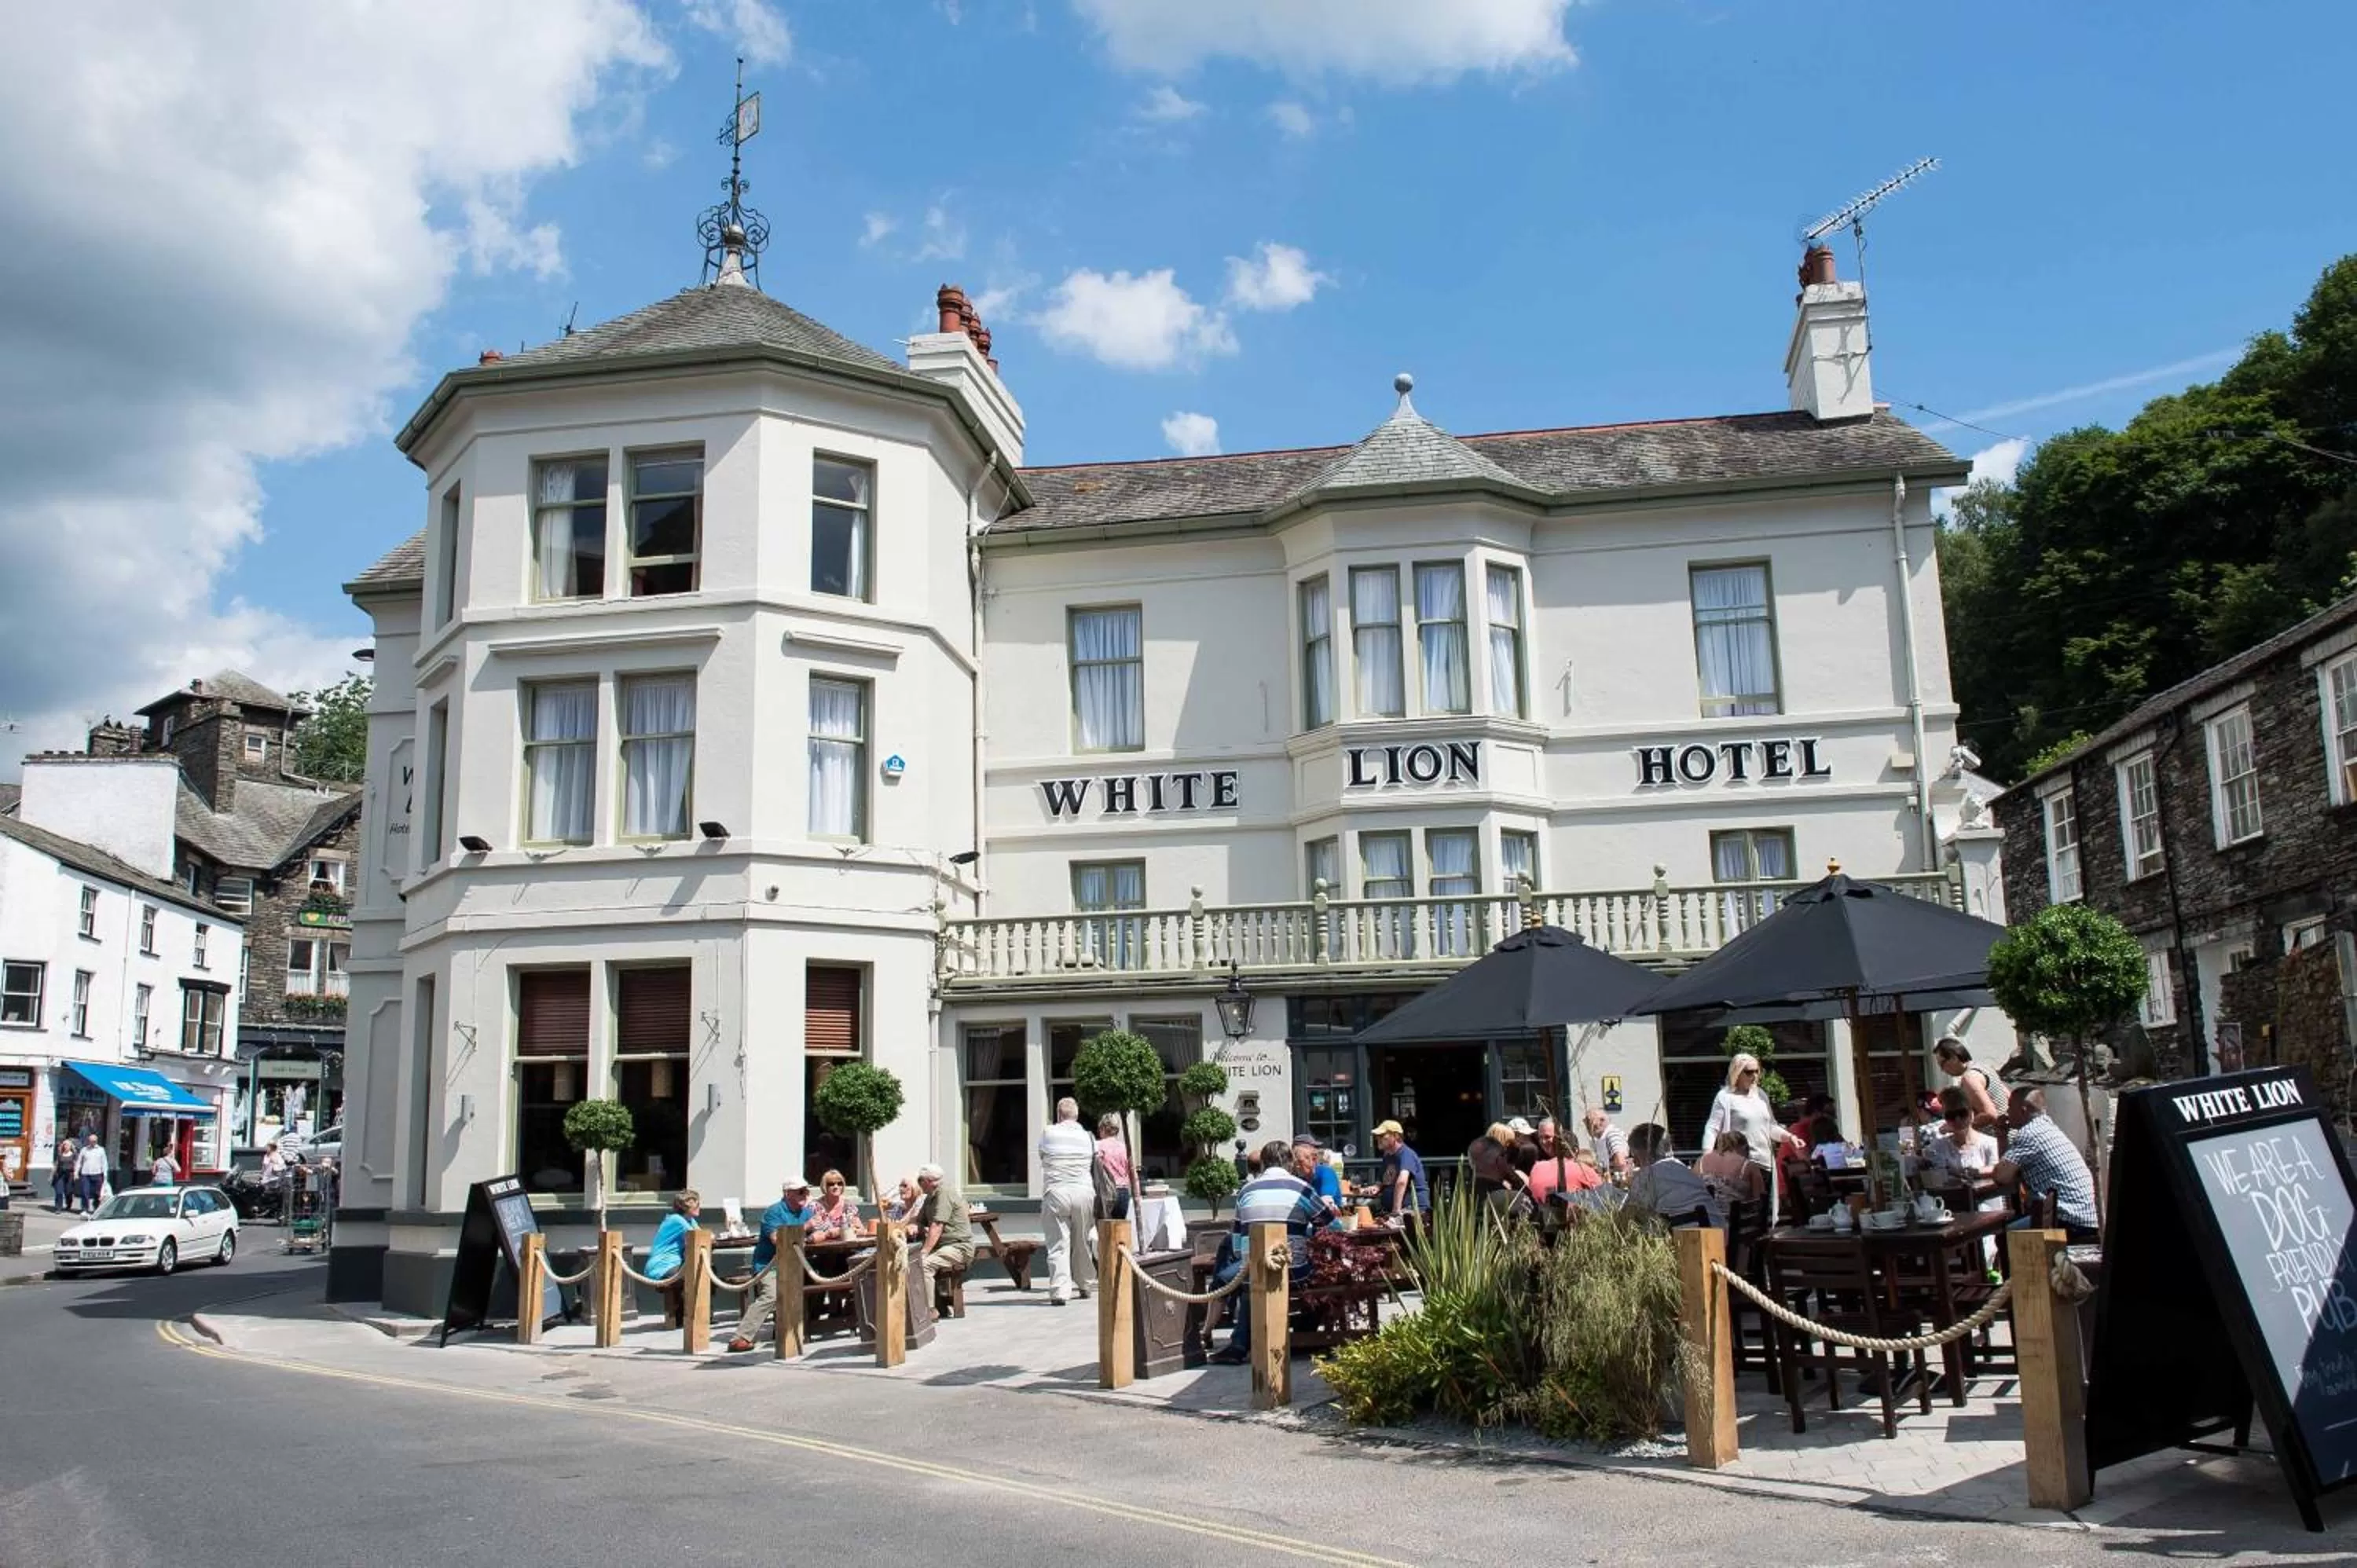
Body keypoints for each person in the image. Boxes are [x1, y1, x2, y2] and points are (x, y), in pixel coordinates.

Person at [1210, 1139, 1326, 1365]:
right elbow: (1330, 1224)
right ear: (1290, 1163)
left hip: (1253, 1270)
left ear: (1262, 1164)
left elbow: (1236, 1243)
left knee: (1253, 1274)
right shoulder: (1301, 1188)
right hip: (1294, 1271)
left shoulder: (1246, 1190)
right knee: (1325, 1277)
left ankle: (1239, 1345)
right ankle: (1304, 1332)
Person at [1993, 1086, 2100, 1241]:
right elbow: (2008, 1172)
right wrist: (2003, 1137)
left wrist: (2001, 1135)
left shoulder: (2029, 1134)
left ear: (2023, 1110)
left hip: (2069, 1221)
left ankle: (2025, 1266)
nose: (2007, 1112)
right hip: (2085, 1218)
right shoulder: (2046, 1126)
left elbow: (2001, 1177)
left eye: (2010, 1107)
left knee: (2004, 1237)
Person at [727, 1180, 816, 1352]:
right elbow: (777, 1239)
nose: (804, 1195)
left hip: (797, 1264)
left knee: (826, 1278)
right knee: (772, 1294)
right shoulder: (774, 1212)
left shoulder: (806, 1213)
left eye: (806, 1191)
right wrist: (806, 1228)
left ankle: (807, 1328)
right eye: (800, 1191)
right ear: (787, 1193)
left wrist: (818, 1233)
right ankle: (741, 1337)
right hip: (769, 1265)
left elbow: (818, 1231)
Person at [1702, 1053, 1785, 1218]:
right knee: (1745, 1213)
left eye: (1757, 1071)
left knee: (1764, 1213)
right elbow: (1712, 1127)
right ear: (1737, 1073)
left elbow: (1771, 1126)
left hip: (1765, 1163)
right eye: (1749, 1072)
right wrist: (1707, 1155)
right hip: (1741, 1165)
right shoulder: (1725, 1097)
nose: (1754, 1076)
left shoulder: (1760, 1095)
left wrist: (1789, 1137)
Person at [1039, 1096, 1098, 1305]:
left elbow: (1042, 1156)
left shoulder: (1048, 1132)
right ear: (1077, 1115)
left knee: (1058, 1244)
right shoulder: (1088, 1137)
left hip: (1057, 1191)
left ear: (1058, 1115)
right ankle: (1085, 1284)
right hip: (1083, 1191)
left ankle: (1059, 1291)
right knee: (1082, 1240)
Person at [1627, 1123, 1725, 1227]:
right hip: (1719, 1232)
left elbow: (1634, 1213)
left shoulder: (1648, 1175)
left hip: (1686, 1238)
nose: (1635, 1162)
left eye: (1634, 1155)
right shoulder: (1682, 1168)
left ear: (1643, 1152)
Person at [911, 1163, 976, 1291]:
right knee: (910, 1263)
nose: (918, 1184)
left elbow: (937, 1226)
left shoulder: (944, 1194)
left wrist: (924, 1252)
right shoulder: (930, 1197)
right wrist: (914, 1226)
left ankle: (929, 1309)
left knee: (924, 1266)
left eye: (920, 1181)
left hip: (958, 1247)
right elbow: (920, 1221)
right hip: (942, 1247)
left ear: (929, 1181)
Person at [1934, 1038, 2008, 1138]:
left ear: (1954, 1058)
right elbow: (2008, 1095)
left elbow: (1990, 1115)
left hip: (1996, 1140)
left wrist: (1956, 1127)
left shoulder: (1970, 1078)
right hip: (2007, 1134)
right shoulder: (1985, 1067)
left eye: (1942, 1064)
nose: (1942, 1070)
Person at [1527, 1124, 1602, 1208]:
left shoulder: (1537, 1167)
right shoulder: (1582, 1169)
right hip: (1568, 1218)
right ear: (1576, 1150)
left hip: (1538, 1216)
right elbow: (1605, 1197)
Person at [644, 1189, 702, 1283]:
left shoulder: (690, 1221)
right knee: (697, 1273)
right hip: (661, 1267)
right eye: (695, 1204)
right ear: (684, 1207)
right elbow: (698, 1237)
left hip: (676, 1264)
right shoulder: (676, 1220)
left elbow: (704, 1236)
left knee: (705, 1270)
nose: (698, 1207)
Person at [1373, 1120, 1427, 1219]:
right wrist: (1376, 1187)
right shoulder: (1388, 1156)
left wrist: (1395, 1211)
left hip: (1411, 1209)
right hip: (1389, 1209)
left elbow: (1402, 1182)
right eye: (1377, 1136)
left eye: (1382, 1136)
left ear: (1396, 1136)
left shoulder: (1406, 1154)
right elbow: (1386, 1180)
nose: (1378, 1139)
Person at [1697, 1130, 1766, 1207]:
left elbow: (1691, 1190)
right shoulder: (1748, 1165)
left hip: (1706, 1216)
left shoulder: (1701, 1161)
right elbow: (1759, 1198)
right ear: (1743, 1147)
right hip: (1738, 1217)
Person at [1290, 1137, 1343, 1225]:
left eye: (1299, 1162)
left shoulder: (1326, 1173)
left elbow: (1325, 1203)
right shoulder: (1295, 1176)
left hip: (1328, 1224)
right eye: (1295, 1162)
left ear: (1314, 1159)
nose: (1297, 1166)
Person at [805, 1170, 866, 1242]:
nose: (836, 1186)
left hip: (847, 1248)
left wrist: (853, 1230)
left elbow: (862, 1230)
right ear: (824, 1186)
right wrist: (827, 1234)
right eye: (831, 1184)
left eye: (839, 1184)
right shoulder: (814, 1207)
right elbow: (807, 1231)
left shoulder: (849, 1207)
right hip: (820, 1249)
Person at [1092, 1113, 1134, 1208]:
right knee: (1120, 1223)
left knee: (1104, 1223)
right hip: (1123, 1191)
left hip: (1107, 1191)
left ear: (1103, 1129)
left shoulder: (1098, 1146)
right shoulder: (1125, 1148)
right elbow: (1130, 1171)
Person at [1579, 1110, 1630, 1181]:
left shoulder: (1612, 1135)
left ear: (1601, 1121)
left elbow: (1620, 1162)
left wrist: (1616, 1182)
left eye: (1589, 1122)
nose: (1587, 1126)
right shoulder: (1604, 1137)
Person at [75, 1133, 108, 1214]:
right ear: (88, 1141)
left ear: (96, 1141)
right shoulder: (84, 1150)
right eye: (91, 1141)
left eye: (94, 1141)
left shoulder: (101, 1150)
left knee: (97, 1193)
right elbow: (79, 1162)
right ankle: (84, 1209)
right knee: (85, 1192)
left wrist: (105, 1174)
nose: (93, 1142)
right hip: (86, 1174)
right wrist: (76, 1172)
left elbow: (104, 1163)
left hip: (97, 1174)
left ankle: (96, 1208)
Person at [51, 1135, 78, 1212]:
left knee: (69, 1192)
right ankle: (58, 1207)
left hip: (69, 1175)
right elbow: (56, 1165)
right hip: (60, 1175)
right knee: (59, 1192)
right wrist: (52, 1175)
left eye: (67, 1145)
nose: (66, 1146)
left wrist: (76, 1174)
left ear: (70, 1146)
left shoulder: (73, 1155)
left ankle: (69, 1204)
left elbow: (76, 1164)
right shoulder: (60, 1155)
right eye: (64, 1145)